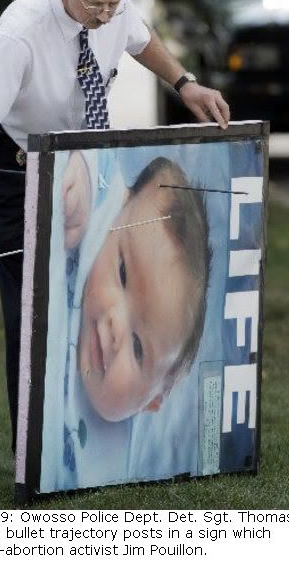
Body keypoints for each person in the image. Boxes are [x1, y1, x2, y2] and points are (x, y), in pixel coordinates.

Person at [0, 0, 230, 451]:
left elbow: (142, 40)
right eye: (93, 3)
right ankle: (35, 454)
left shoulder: (113, 8)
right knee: (34, 312)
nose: (103, 15)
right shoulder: (20, 32)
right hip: (14, 169)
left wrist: (186, 83)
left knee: (75, 294)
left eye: (112, 4)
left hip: (79, 157)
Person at [62, 152, 210, 423]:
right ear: (119, 209)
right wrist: (82, 177)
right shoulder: (97, 218)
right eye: (122, 273)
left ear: (152, 401)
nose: (117, 328)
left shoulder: (118, 461)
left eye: (138, 347)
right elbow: (101, 165)